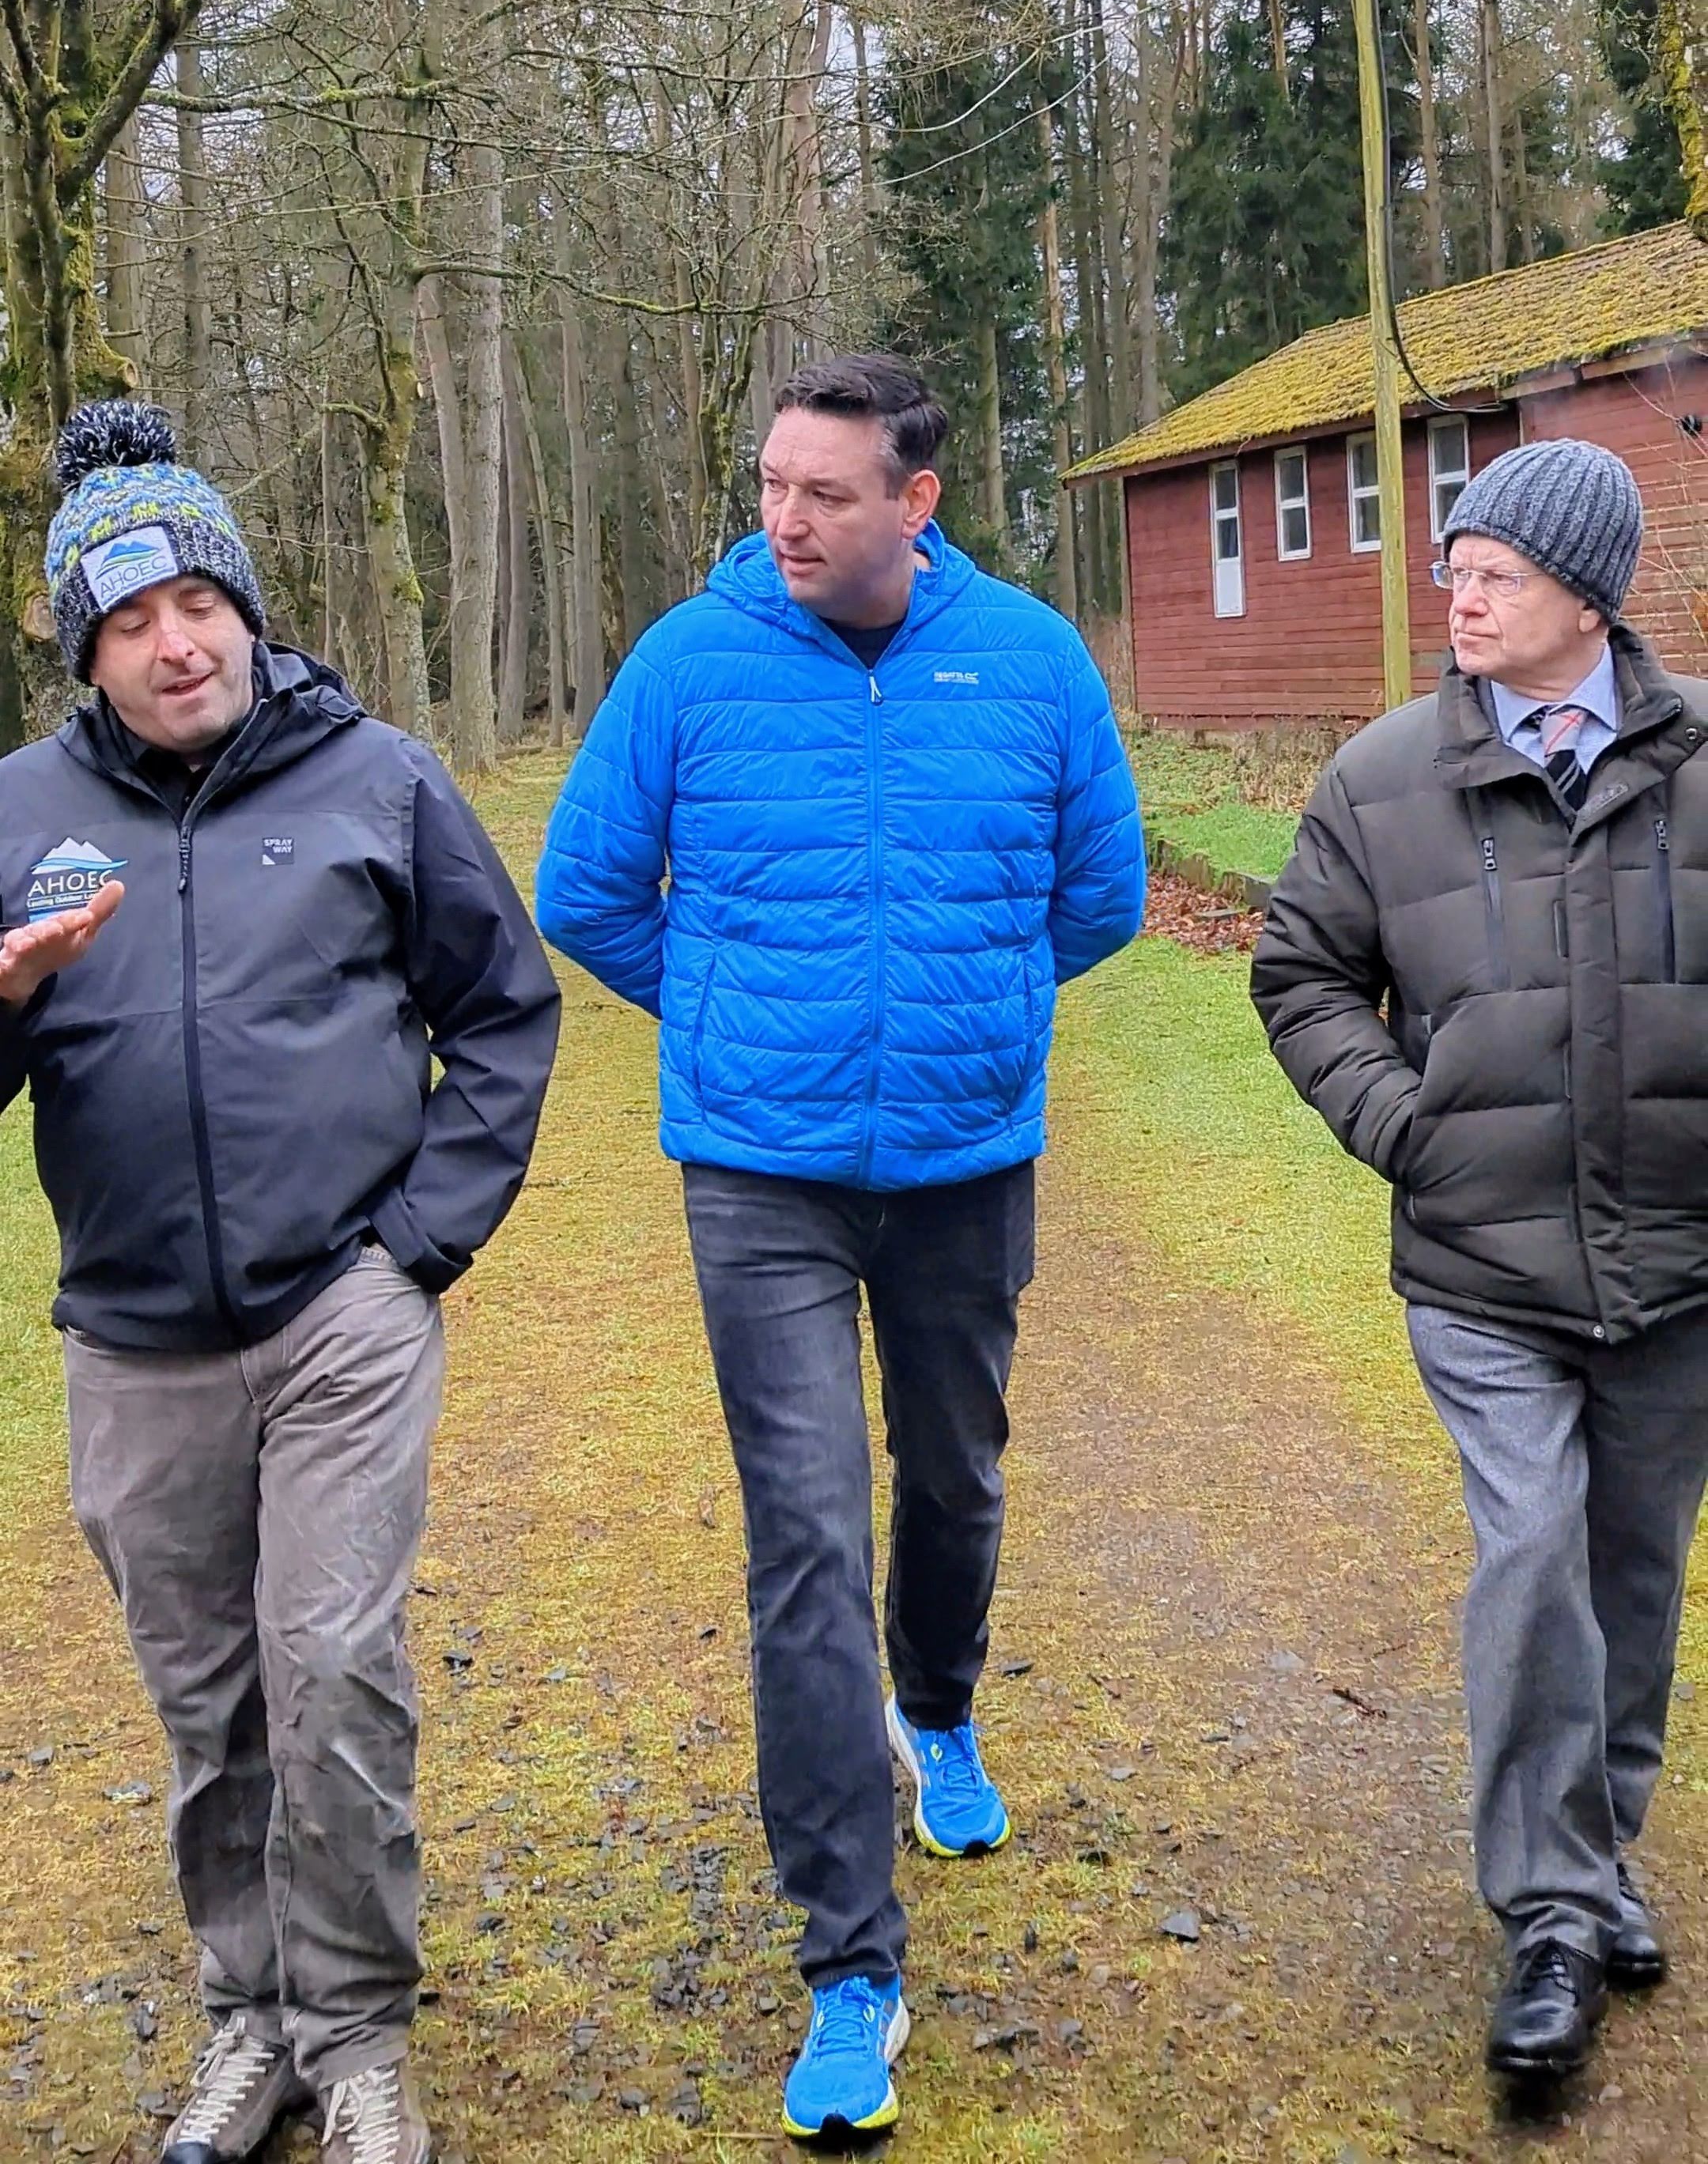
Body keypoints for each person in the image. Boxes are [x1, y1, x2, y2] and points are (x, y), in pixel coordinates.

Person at [536, 354, 1143, 2139]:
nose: (783, 518)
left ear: (918, 501)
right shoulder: (689, 660)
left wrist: (967, 1014)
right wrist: (734, 1012)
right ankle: (849, 1967)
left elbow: (1097, 896)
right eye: (769, 484)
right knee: (803, 1534)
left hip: (964, 1161)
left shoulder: (1029, 661)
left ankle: (938, 1703)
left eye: (823, 491)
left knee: (952, 1473)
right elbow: (584, 888)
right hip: (761, 1175)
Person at [0, 402, 561, 2164]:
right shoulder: (19, 810)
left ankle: (361, 2034)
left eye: (199, 602)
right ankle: (251, 2023)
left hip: (339, 1311)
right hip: (134, 1340)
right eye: (130, 620)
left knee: (331, 1672)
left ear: (245, 597)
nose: (178, 644)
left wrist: (416, 1252)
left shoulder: (375, 779)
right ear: (86, 652)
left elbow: (503, 1010)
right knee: (211, 1706)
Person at [1251, 437, 1708, 2081]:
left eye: (1493, 571)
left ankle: (1594, 1851)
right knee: (1533, 1558)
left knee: (1632, 1575)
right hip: (1483, 1266)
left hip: (1680, 1264)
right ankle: (1550, 1915)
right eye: (1455, 564)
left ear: (1586, 596)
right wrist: (1405, 1123)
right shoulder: (1384, 779)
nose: (1457, 591)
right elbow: (1299, 972)